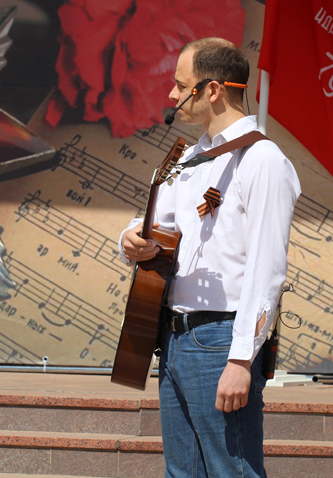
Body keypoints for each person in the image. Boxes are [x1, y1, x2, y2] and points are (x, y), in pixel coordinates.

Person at [119, 38, 300, 477]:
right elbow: (155, 224)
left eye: (182, 86)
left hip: (221, 338)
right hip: (175, 336)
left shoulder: (262, 159)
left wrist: (241, 359)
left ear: (213, 90)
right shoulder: (190, 157)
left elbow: (267, 269)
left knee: (230, 471)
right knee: (182, 473)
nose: (172, 95)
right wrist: (131, 238)